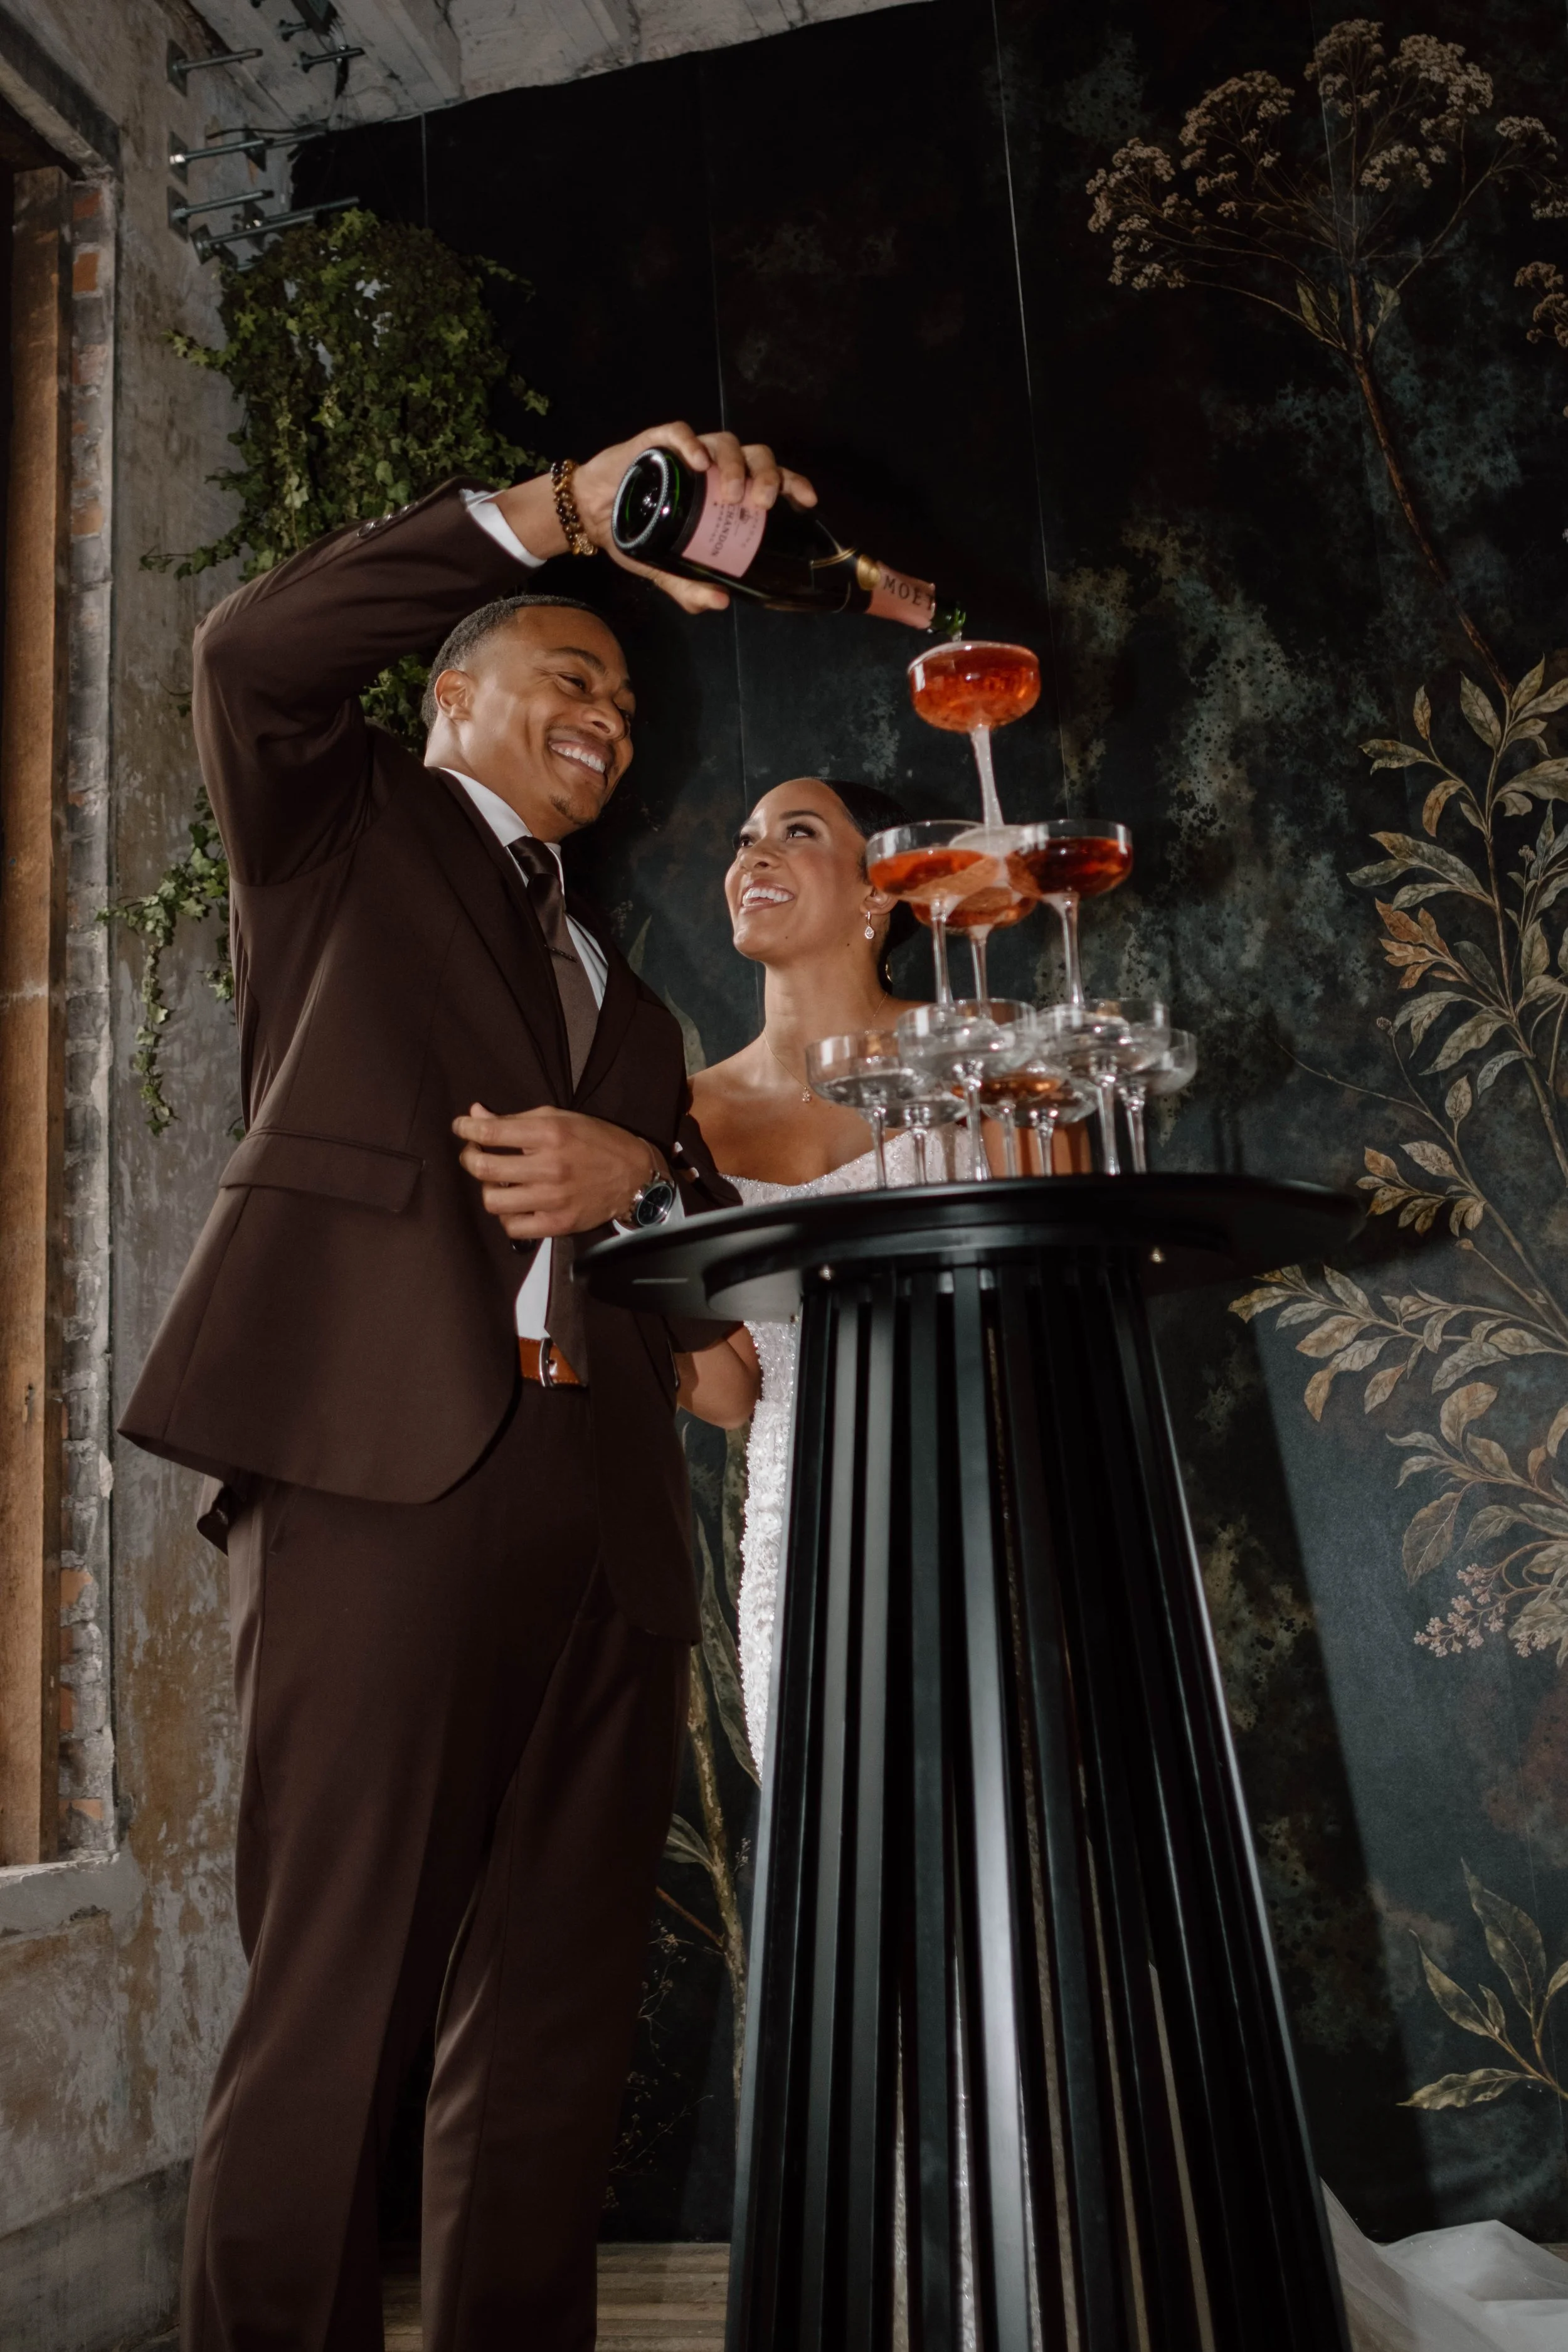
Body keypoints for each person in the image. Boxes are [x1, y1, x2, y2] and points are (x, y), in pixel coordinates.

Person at [119, 423, 811, 2351]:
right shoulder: (342, 834)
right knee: (337, 1997)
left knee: (550, 2027)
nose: (606, 709)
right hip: (377, 1480)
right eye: (567, 671)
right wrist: (573, 514)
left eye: (619, 692)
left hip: (598, 1514)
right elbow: (248, 654)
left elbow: (677, 1234)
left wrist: (644, 1175)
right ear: (449, 697)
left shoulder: (634, 992)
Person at [674, 774, 961, 1761]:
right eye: (746, 836)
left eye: (796, 832)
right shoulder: (681, 1120)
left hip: (983, 1495)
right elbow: (725, 1391)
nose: (753, 855)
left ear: (882, 886)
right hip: (796, 1535)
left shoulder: (979, 1053)